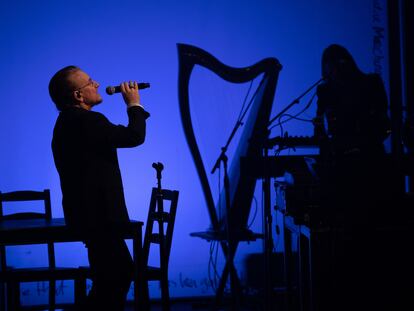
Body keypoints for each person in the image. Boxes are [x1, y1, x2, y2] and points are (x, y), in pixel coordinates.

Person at [49, 65, 150, 310]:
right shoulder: (87, 120)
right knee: (118, 273)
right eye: (90, 82)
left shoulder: (67, 121)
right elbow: (133, 137)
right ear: (78, 96)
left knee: (111, 276)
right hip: (100, 217)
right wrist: (134, 103)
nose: (96, 84)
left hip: (89, 216)